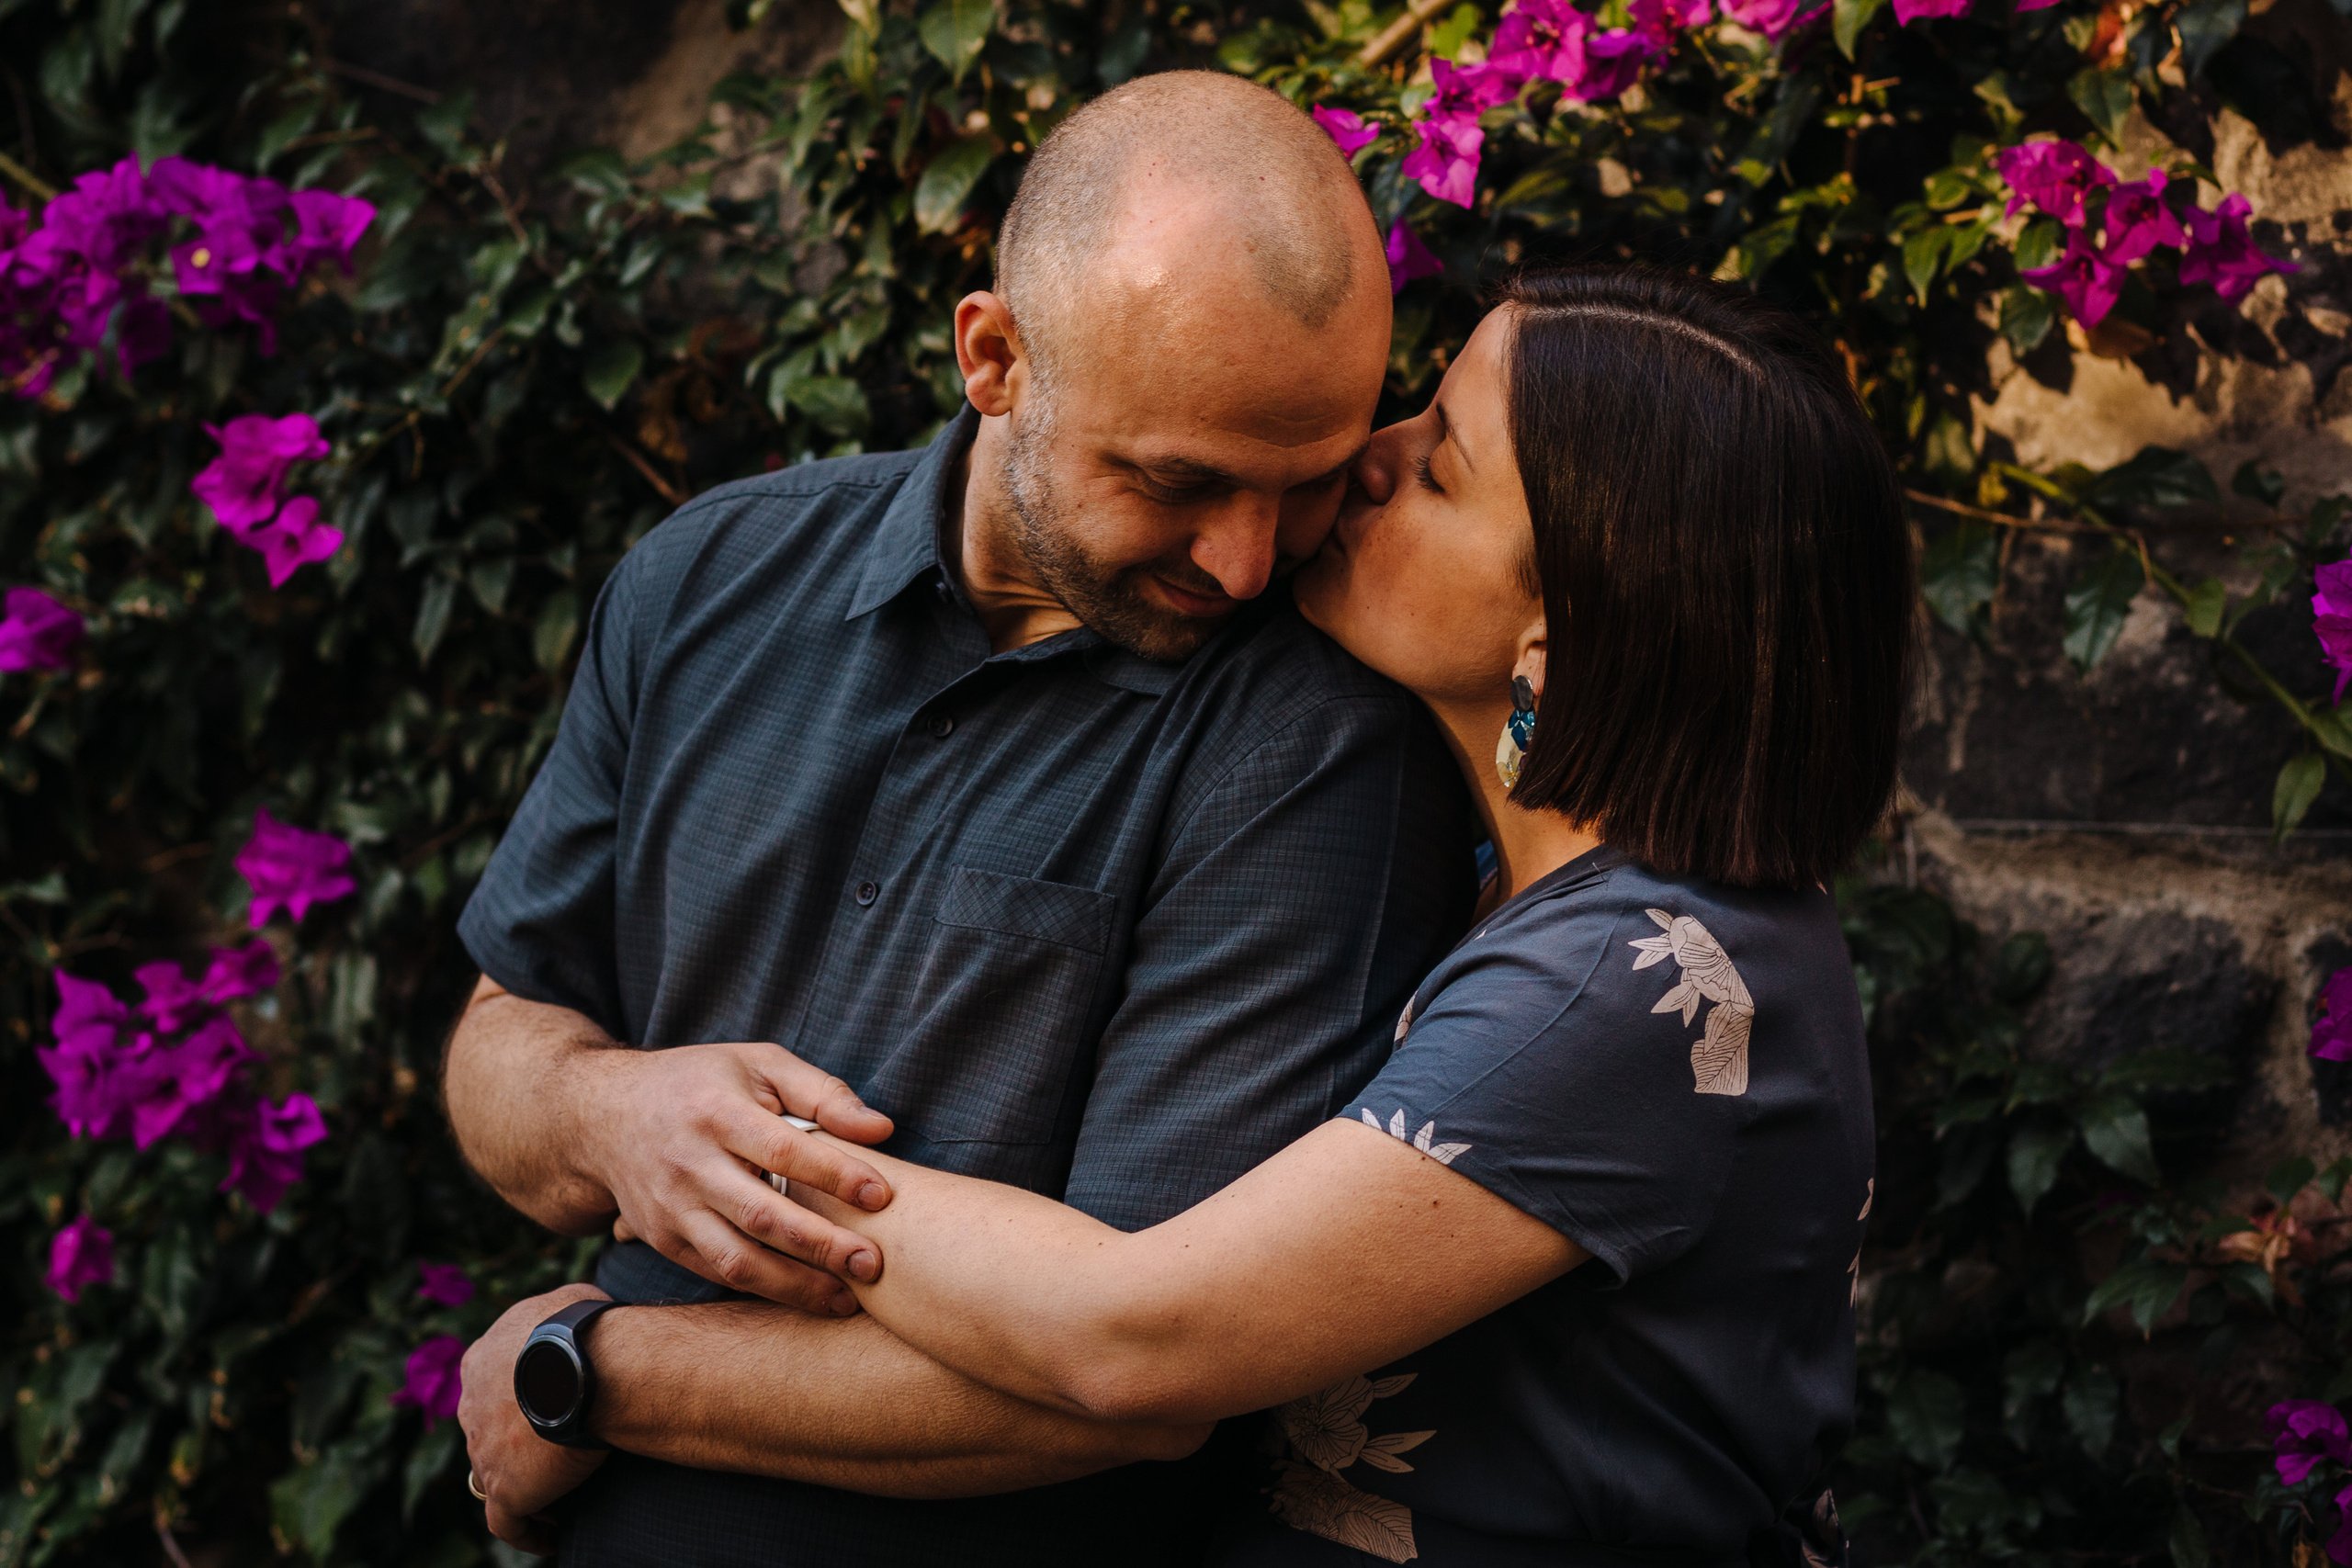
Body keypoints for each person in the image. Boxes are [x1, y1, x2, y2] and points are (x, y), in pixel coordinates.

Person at [465, 265, 1912, 1567]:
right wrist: (609, 1114)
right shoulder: (1562, 909)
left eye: (1442, 471)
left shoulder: (1633, 974)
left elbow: (1132, 1339)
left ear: (1557, 634)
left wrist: (682, 1217)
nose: (1366, 461)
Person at [443, 70, 1477, 1567]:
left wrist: (589, 1375)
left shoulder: (1319, 741)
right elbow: (503, 1035)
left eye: (1306, 485)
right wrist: (609, 1110)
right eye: (1178, 482)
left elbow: (1131, 1382)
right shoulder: (703, 581)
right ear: (994, 356)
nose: (1250, 565)